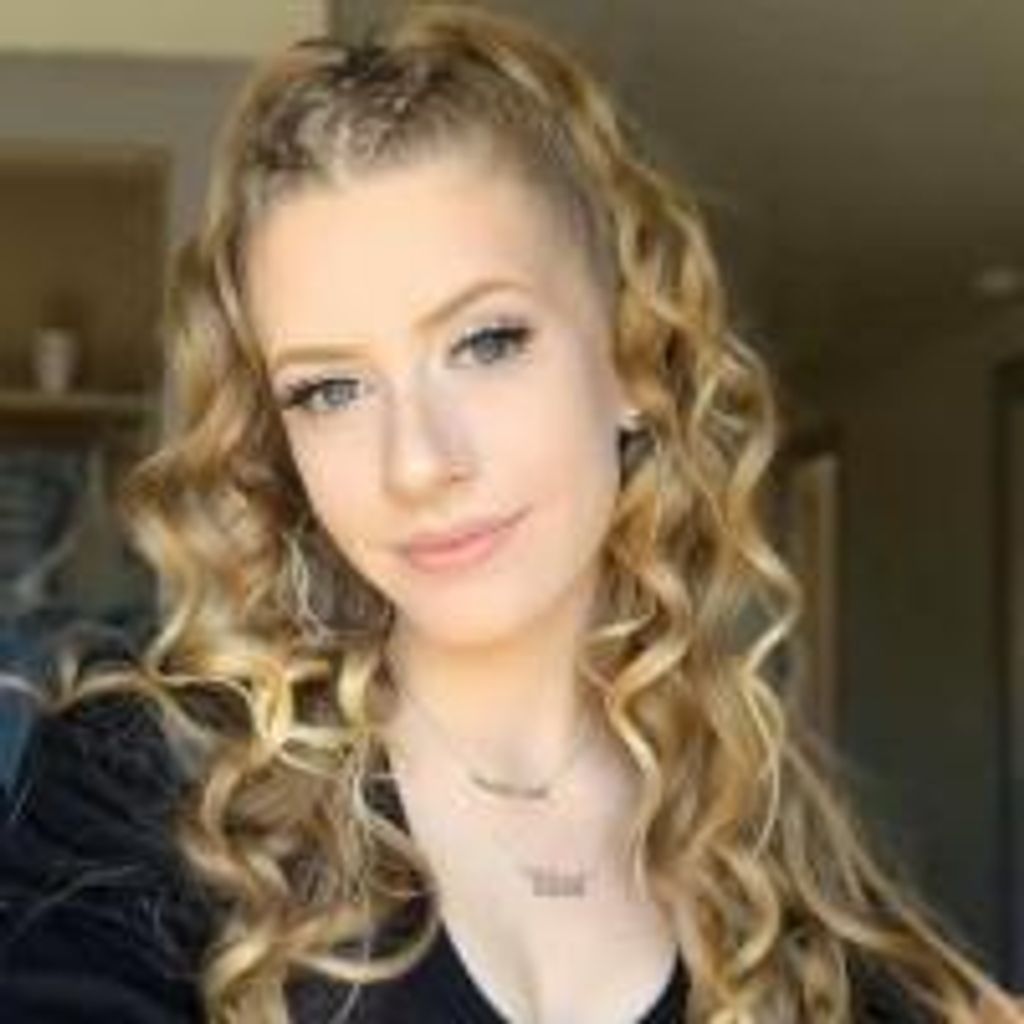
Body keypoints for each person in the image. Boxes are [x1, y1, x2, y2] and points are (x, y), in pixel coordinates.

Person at [0, 3, 1020, 1022]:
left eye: (486, 342)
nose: (417, 462)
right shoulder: (147, 793)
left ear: (632, 359)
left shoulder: (771, 878)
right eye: (330, 389)